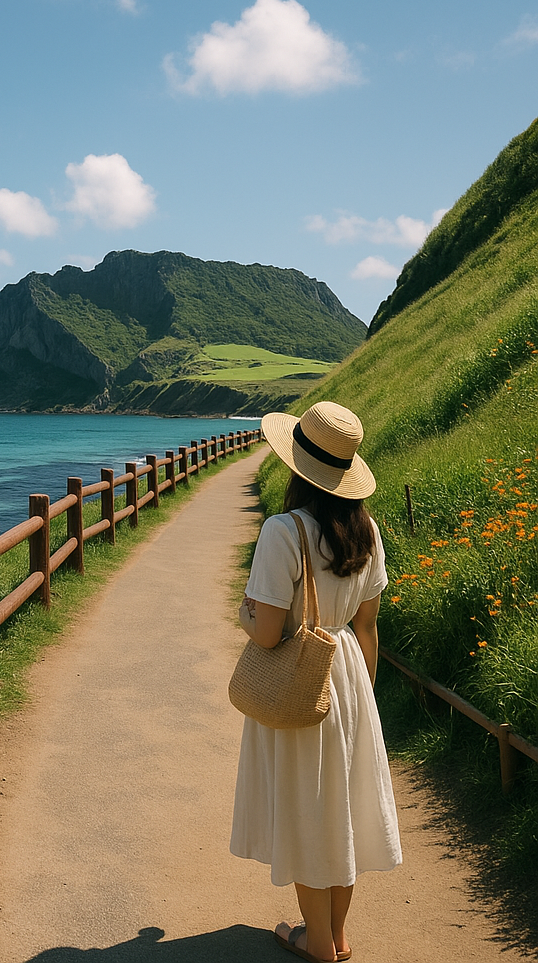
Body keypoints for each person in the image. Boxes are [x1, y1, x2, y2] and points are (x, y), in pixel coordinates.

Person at [230, 401, 402, 963]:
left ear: (297, 464)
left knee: (308, 808)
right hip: (348, 670)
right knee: (344, 810)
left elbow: (267, 632)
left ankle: (319, 944)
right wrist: (364, 697)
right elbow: (368, 625)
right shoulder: (368, 530)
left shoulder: (284, 531)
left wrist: (244, 613)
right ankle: (339, 935)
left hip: (303, 673)